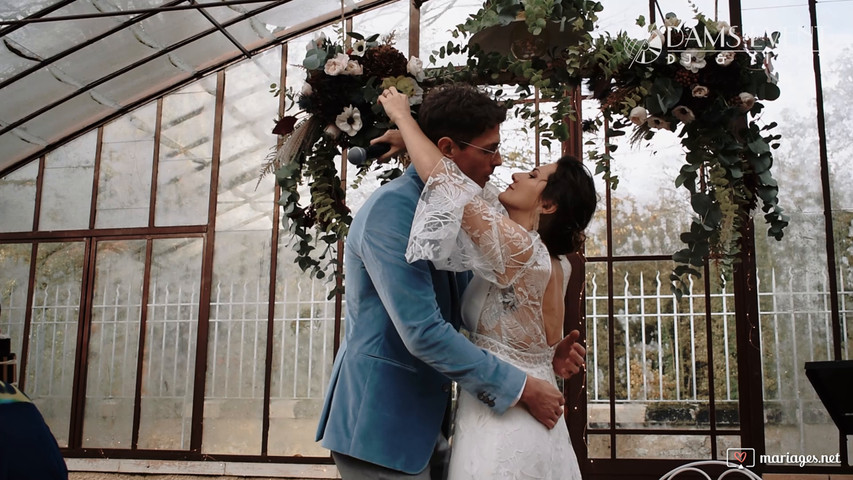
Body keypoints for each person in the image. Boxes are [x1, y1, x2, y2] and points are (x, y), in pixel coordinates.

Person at [315, 83, 582, 479]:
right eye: (489, 149)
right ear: (448, 148)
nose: (499, 161)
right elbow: (423, 331)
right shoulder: (393, 211)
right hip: (383, 420)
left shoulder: (460, 209)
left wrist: (541, 356)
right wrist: (522, 386)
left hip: (436, 421)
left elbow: (480, 314)